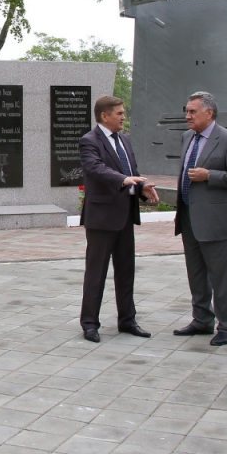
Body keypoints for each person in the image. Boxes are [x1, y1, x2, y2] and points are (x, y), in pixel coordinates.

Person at [78, 95, 159, 343]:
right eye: (120, 113)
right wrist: (122, 180)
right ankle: (90, 324)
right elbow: (95, 169)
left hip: (125, 216)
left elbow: (131, 173)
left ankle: (127, 320)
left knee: (126, 271)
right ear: (105, 115)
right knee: (96, 273)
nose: (124, 117)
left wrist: (141, 187)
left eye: (123, 112)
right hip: (101, 218)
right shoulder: (89, 141)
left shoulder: (124, 140)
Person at [173, 91, 227, 346]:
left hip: (217, 221)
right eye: (187, 111)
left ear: (210, 113)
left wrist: (210, 176)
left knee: (222, 278)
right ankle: (202, 319)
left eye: (193, 111)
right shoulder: (187, 137)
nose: (188, 116)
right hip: (188, 217)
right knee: (196, 274)